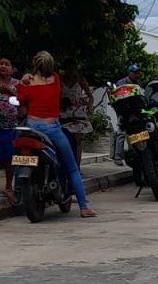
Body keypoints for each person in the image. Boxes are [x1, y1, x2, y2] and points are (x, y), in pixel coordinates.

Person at [17, 51, 96, 217]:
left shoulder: (27, 83)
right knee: (72, 167)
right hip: (52, 128)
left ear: (34, 64)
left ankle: (18, 197)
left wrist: (25, 80)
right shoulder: (55, 80)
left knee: (19, 161)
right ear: (51, 66)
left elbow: (21, 103)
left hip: (31, 127)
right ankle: (83, 207)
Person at [60, 58, 93, 169]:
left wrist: (89, 106)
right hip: (63, 113)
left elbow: (90, 96)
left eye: (72, 68)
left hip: (77, 114)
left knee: (78, 140)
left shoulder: (80, 80)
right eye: (68, 68)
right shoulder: (60, 80)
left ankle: (77, 167)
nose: (70, 71)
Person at [111, 64, 141, 165]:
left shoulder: (137, 83)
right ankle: (118, 157)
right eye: (135, 73)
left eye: (138, 73)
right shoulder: (122, 83)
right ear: (129, 73)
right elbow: (116, 97)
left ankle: (134, 157)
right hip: (124, 112)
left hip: (134, 113)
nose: (137, 75)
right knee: (121, 134)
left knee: (135, 135)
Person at [0, 58, 19, 204]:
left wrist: (8, 90)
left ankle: (8, 187)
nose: (3, 66)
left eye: (7, 64)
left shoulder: (17, 84)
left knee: (9, 159)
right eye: (1, 63)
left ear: (11, 68)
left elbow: (22, 100)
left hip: (10, 126)